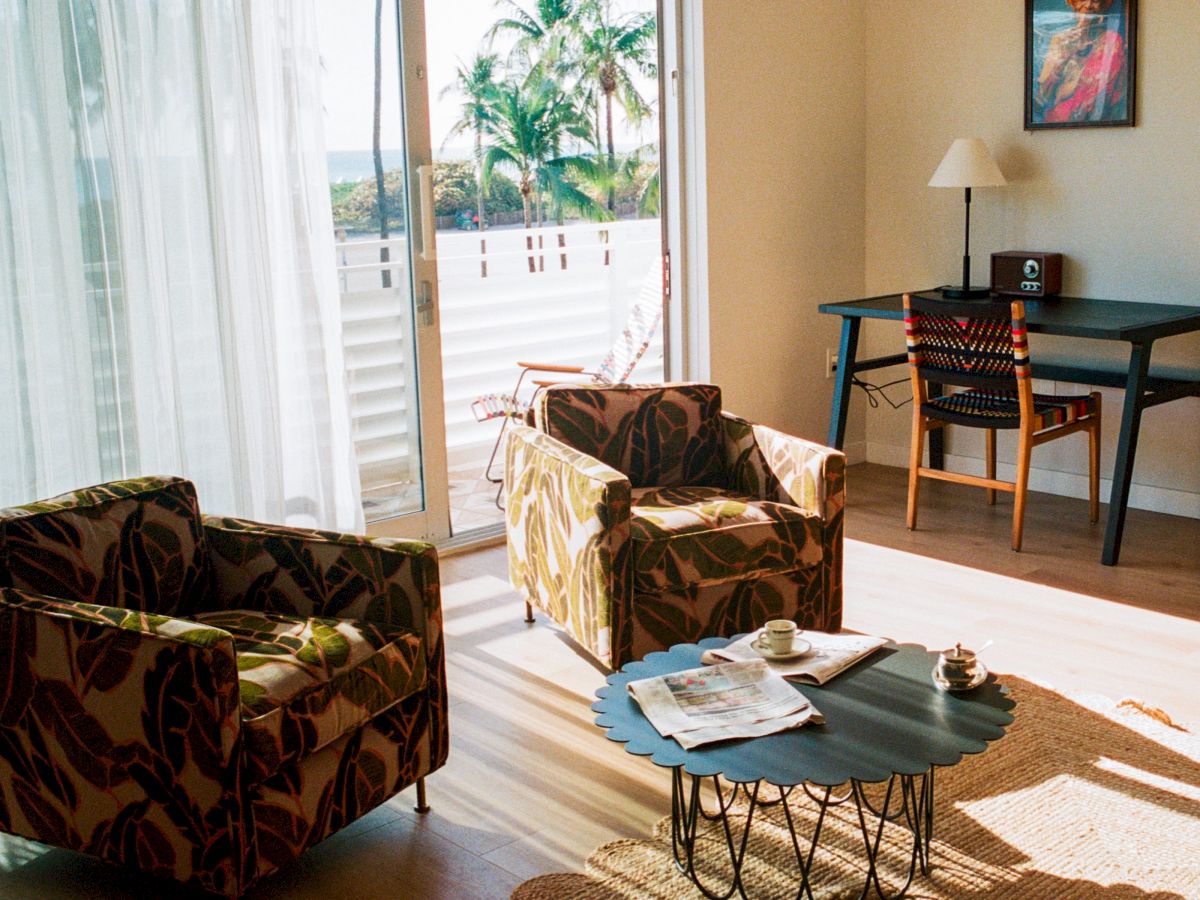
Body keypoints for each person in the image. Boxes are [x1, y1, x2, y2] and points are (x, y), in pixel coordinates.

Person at [1034, 0, 1128, 124]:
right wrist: (1060, 61)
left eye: (1095, 0)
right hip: (1055, 124)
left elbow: (1103, 100)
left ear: (1103, 6)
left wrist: (1069, 88)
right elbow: (1041, 100)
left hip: (1094, 126)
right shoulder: (1060, 40)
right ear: (1074, 4)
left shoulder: (1111, 43)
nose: (1088, 5)